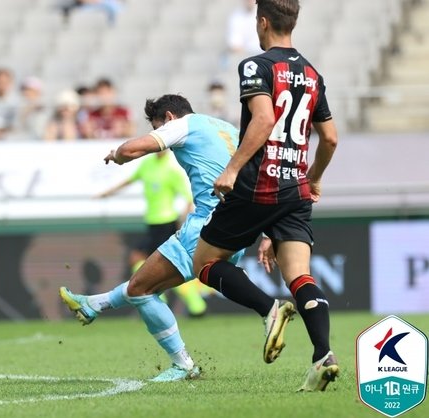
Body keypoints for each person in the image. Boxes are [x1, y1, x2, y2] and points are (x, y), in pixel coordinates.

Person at [60, 94, 295, 381]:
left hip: (208, 224)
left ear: (169, 117)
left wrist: (118, 155)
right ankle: (93, 304)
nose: (161, 134)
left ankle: (185, 362)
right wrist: (270, 230)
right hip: (243, 222)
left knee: (141, 290)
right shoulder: (226, 129)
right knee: (145, 284)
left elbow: (135, 148)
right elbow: (261, 177)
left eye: (158, 126)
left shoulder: (183, 124)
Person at [192, 0, 340, 392]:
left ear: (261, 23)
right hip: (295, 189)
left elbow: (264, 118)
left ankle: (268, 309)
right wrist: (314, 177)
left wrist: (232, 168)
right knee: (300, 276)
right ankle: (323, 354)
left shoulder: (256, 65)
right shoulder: (313, 74)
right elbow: (329, 138)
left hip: (258, 185)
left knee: (205, 262)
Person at [97, 150, 208, 317]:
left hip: (166, 223)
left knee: (156, 264)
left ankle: (190, 304)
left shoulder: (171, 169)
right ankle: (185, 303)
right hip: (152, 223)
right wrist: (108, 192)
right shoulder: (147, 164)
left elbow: (188, 198)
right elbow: (130, 180)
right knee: (150, 263)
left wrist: (185, 220)